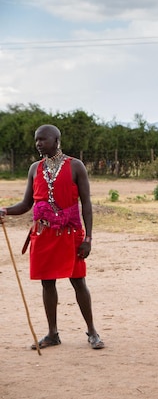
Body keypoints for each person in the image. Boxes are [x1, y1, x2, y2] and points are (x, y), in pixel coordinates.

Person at [0, 124, 104, 350]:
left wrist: (88, 239)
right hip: (43, 235)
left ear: (56, 140)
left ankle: (92, 331)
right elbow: (27, 204)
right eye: (36, 140)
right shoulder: (34, 169)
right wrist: (5, 210)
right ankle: (52, 333)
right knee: (47, 283)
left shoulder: (76, 166)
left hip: (70, 234)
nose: (38, 144)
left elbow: (86, 204)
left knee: (78, 282)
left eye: (43, 139)